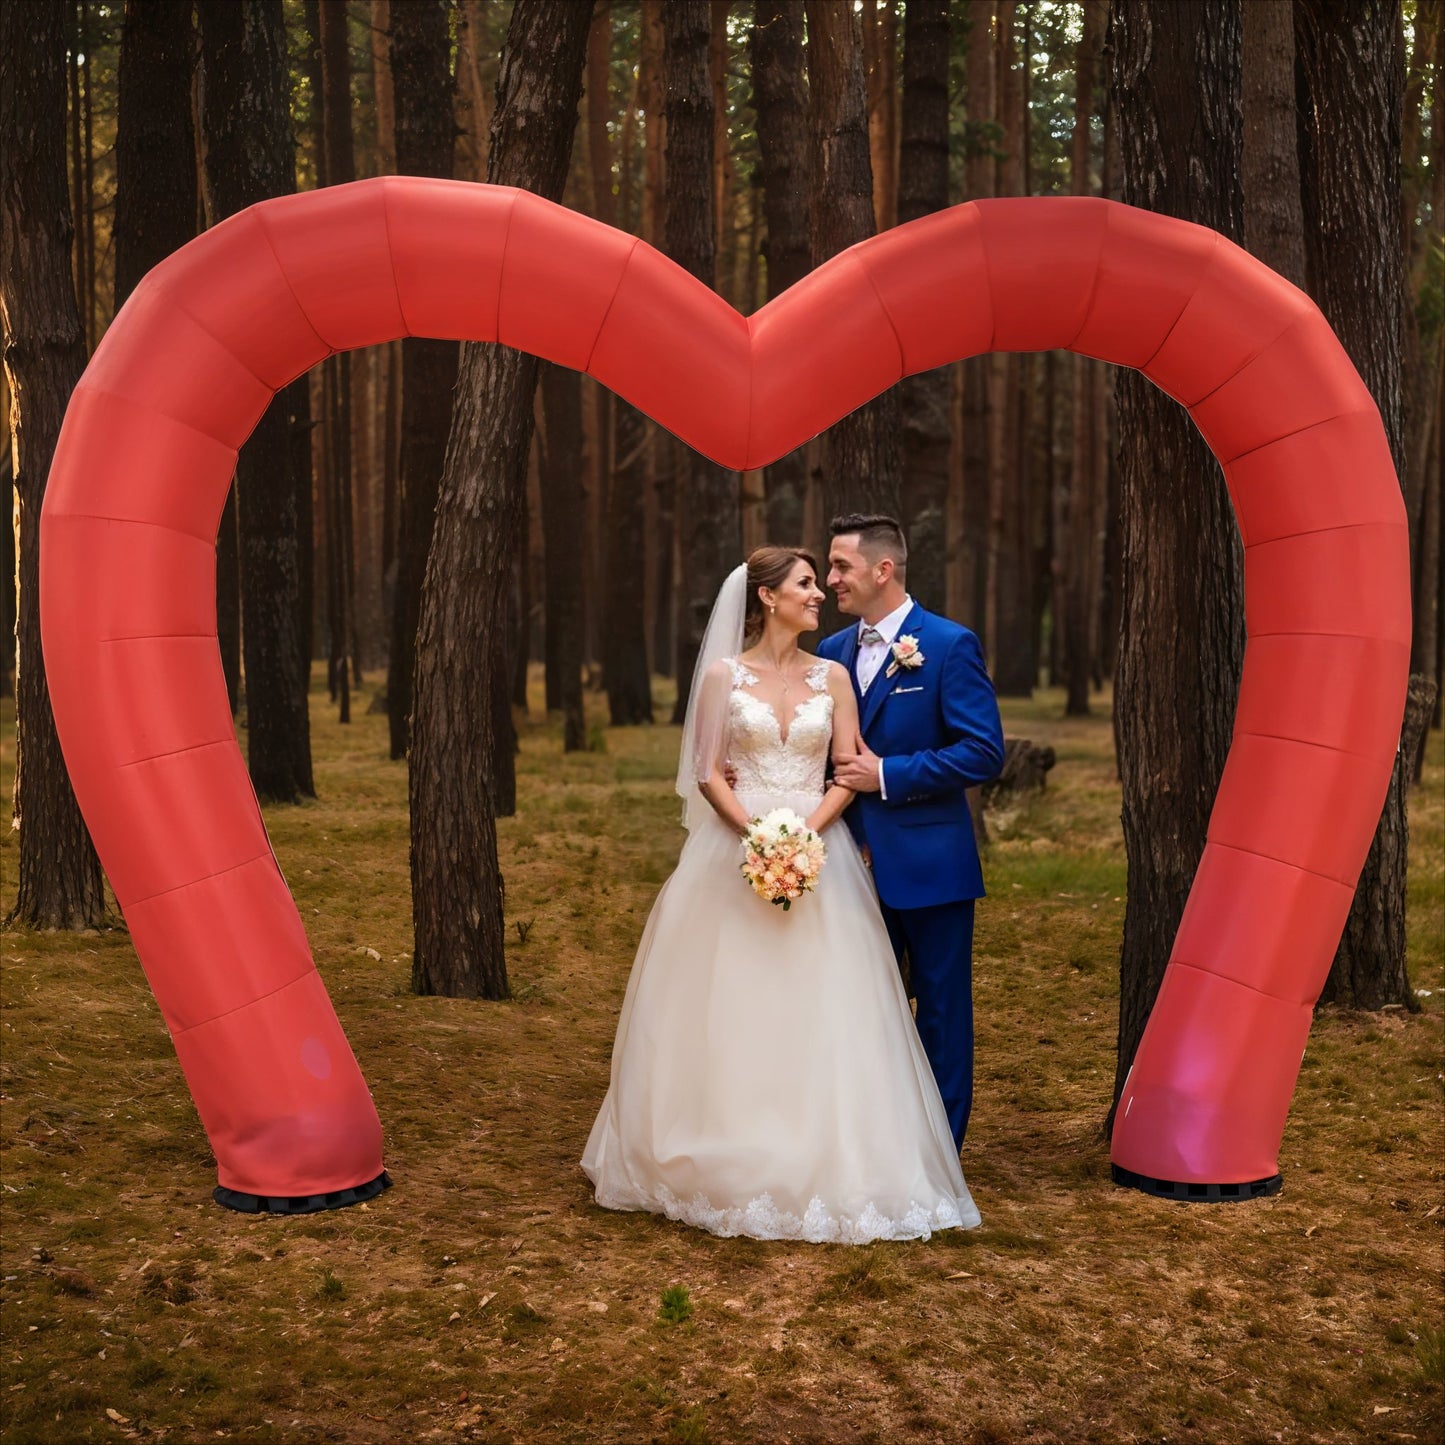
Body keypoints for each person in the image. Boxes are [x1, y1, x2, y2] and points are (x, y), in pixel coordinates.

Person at [581, 546, 980, 1243]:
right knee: (731, 995)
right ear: (767, 596)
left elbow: (847, 769)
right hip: (734, 849)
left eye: (821, 580)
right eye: (804, 583)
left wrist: (804, 836)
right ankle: (724, 1134)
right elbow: (708, 771)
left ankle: (828, 1143)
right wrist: (755, 835)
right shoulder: (722, 676)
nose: (819, 593)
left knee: (827, 999)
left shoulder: (833, 675)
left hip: (818, 852)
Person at [817, 514, 1005, 1149]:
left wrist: (887, 775)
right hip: (846, 866)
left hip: (930, 865)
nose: (831, 580)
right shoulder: (831, 652)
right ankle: (870, 1145)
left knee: (941, 1013)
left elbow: (982, 751)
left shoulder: (949, 645)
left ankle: (939, 1153)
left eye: (840, 566)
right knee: (858, 1007)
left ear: (882, 570)